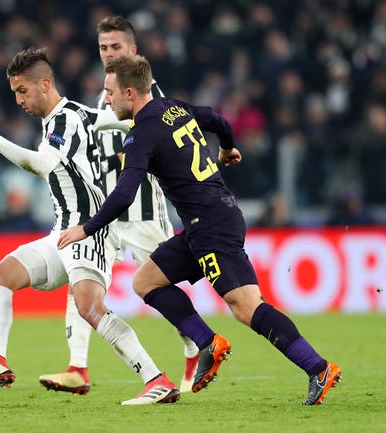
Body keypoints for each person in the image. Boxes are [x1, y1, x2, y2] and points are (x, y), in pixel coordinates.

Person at [57, 54, 341, 405]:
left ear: (130, 92)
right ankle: (208, 343)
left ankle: (318, 368)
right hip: (205, 222)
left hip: (212, 226)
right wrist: (227, 147)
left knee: (246, 306)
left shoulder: (141, 134)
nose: (107, 98)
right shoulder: (172, 107)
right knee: (145, 281)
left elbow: (124, 194)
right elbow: (216, 119)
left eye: (110, 91)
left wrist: (88, 227)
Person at [0, 48, 180, 405]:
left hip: (89, 230)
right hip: (64, 232)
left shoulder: (64, 120)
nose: (18, 100)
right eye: (14, 92)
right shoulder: (79, 113)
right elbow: (124, 121)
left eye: (23, 91)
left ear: (45, 84)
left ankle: (157, 379)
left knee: (91, 308)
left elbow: (42, 164)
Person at [39, 15, 199, 396]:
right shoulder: (106, 93)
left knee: (162, 285)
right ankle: (78, 365)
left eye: (116, 48)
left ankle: (194, 346)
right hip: (106, 216)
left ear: (133, 50)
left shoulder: (148, 96)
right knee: (82, 279)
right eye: (103, 48)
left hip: (143, 211)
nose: (109, 54)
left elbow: (149, 143)